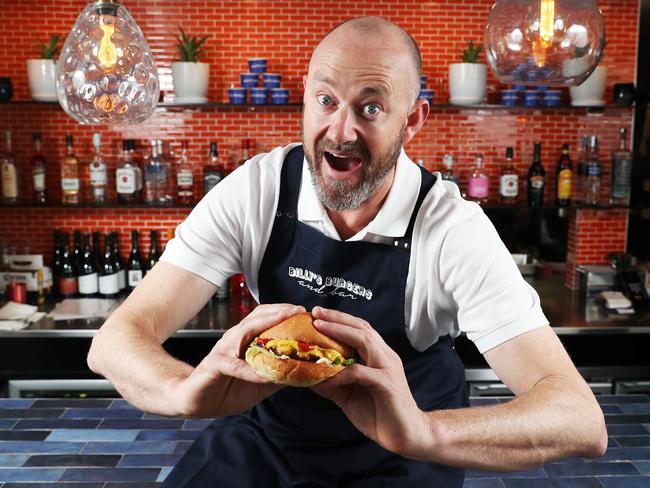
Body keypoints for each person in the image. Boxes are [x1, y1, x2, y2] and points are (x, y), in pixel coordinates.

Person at [87, 16, 607, 487]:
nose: (341, 130)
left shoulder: (452, 230)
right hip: (269, 441)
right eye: (326, 100)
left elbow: (577, 418)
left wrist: (425, 434)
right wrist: (184, 391)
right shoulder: (257, 191)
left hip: (402, 455)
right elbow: (114, 342)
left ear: (412, 121)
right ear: (306, 100)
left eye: (371, 106)